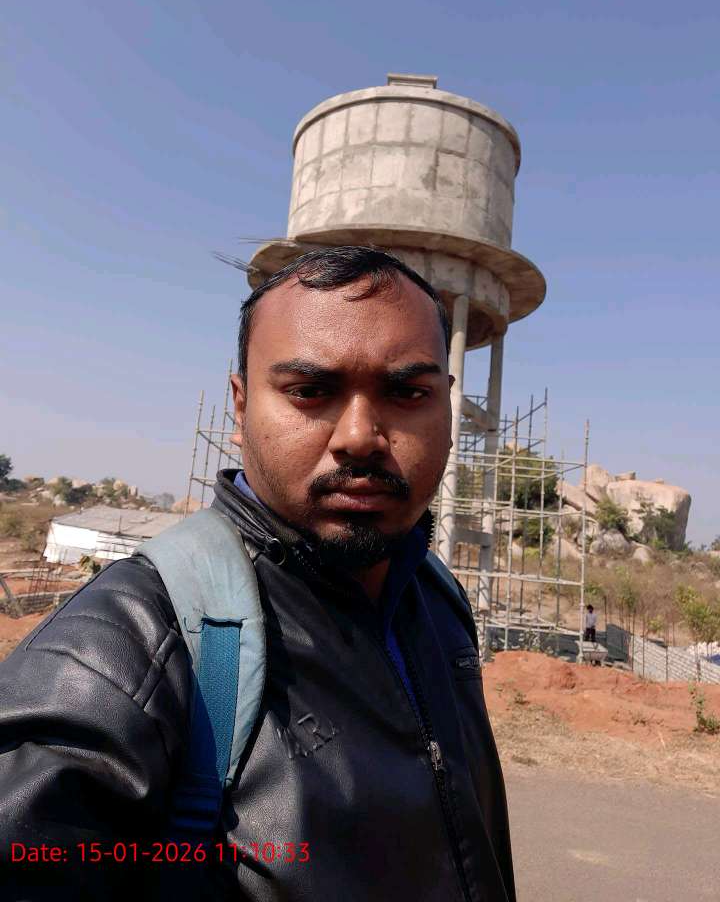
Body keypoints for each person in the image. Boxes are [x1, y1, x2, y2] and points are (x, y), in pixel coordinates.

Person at [0, 246, 516, 901]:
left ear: (446, 405)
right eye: (311, 391)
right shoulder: (123, 652)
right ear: (240, 408)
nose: (360, 436)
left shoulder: (435, 598)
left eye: (407, 393)